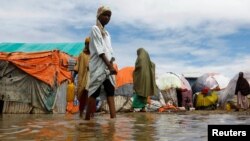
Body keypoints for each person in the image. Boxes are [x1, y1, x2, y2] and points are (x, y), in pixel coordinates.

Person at [85, 6, 117, 120]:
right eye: (105, 14)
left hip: (108, 67)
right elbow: (100, 50)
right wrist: (109, 66)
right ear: (99, 15)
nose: (107, 17)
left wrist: (112, 64)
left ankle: (113, 119)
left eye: (109, 16)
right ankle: (87, 120)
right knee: (94, 91)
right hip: (98, 66)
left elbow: (110, 51)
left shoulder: (107, 34)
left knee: (110, 91)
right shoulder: (95, 29)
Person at [132, 48, 157, 112]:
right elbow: (153, 65)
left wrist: (135, 72)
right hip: (147, 80)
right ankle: (143, 108)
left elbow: (137, 67)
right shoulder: (149, 63)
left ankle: (132, 108)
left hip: (141, 79)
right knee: (145, 93)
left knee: (139, 92)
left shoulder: (140, 59)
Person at [74, 37, 90, 118]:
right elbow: (76, 69)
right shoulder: (81, 54)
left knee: (91, 97)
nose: (88, 46)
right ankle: (81, 114)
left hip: (90, 79)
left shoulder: (94, 56)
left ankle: (90, 115)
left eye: (90, 44)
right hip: (82, 78)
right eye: (87, 44)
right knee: (82, 95)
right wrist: (72, 79)